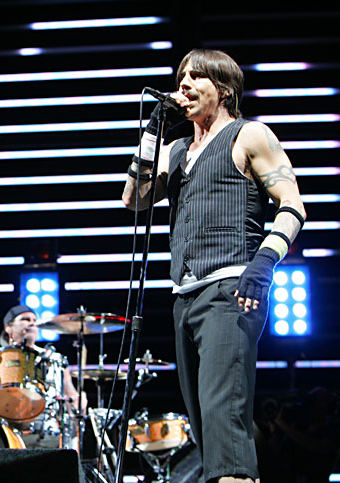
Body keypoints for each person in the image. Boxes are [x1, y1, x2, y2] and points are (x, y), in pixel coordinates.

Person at [122, 49, 306, 482]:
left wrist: (264, 262)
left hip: (230, 290)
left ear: (223, 89)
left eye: (195, 77)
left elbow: (293, 205)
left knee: (224, 427)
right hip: (184, 297)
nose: (183, 84)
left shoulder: (249, 135)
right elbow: (133, 199)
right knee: (207, 432)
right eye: (180, 77)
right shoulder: (174, 150)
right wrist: (151, 131)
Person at [0, 305, 85, 449]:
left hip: (48, 434)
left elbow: (71, 395)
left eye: (34, 320)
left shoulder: (54, 359)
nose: (32, 323)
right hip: (7, 436)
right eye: (25, 319)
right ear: (8, 328)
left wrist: (78, 402)